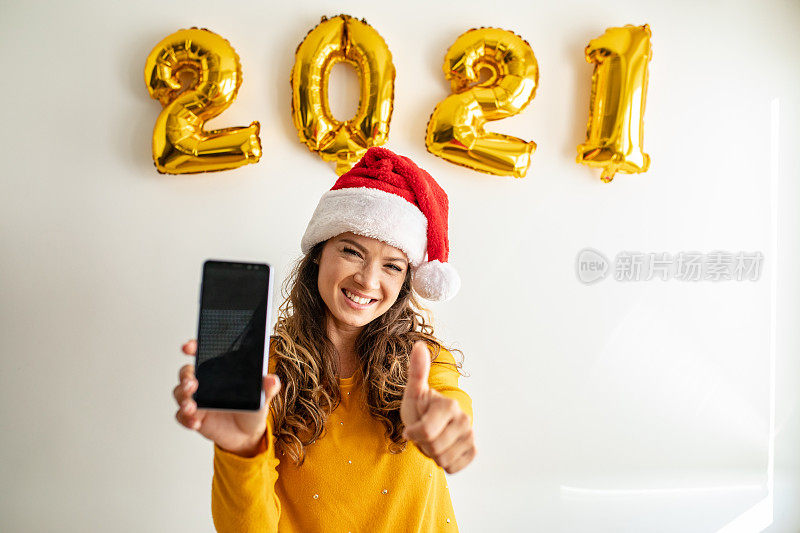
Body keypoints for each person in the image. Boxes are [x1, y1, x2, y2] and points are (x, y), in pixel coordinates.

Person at [172, 147, 476, 532]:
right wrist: (241, 450)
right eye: (352, 251)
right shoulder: (266, 372)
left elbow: (454, 406)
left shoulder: (428, 362)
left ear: (404, 283)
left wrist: (445, 421)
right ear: (319, 253)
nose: (367, 280)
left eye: (392, 266)